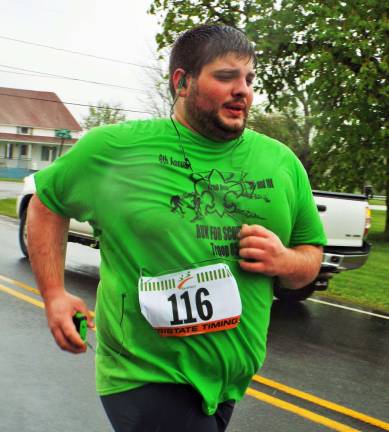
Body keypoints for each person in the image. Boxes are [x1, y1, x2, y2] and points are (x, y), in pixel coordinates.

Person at [27, 24, 326, 432]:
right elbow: (47, 203)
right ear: (182, 82)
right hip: (143, 373)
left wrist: (285, 260)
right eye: (226, 77)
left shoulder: (281, 162)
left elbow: (311, 258)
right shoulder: (115, 150)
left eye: (249, 79)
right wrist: (54, 294)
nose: (244, 90)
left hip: (228, 384)